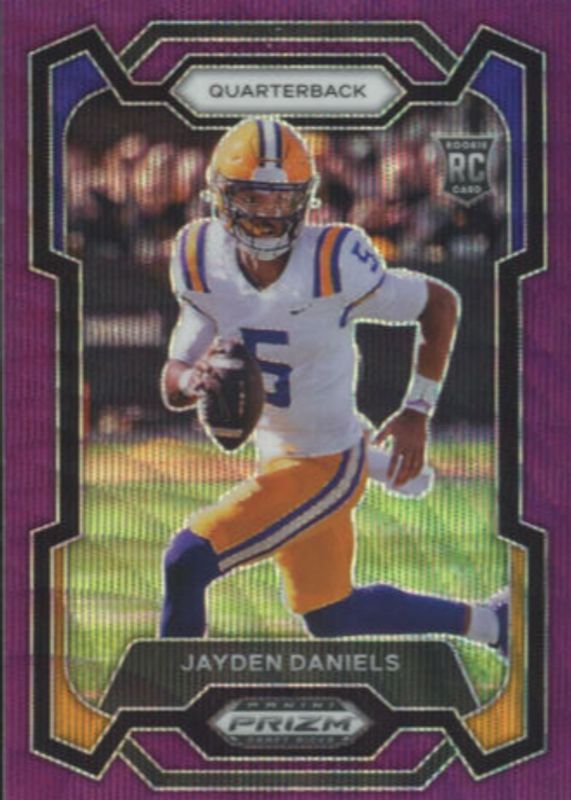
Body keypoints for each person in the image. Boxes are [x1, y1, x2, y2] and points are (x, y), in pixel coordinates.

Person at [159, 117, 508, 658]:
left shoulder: (333, 261)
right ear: (221, 197)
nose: (267, 213)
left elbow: (439, 304)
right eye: (252, 196)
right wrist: (192, 379)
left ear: (305, 200)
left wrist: (418, 408)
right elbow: (174, 378)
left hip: (324, 460)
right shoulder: (200, 255)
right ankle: (493, 624)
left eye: (281, 199)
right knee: (331, 614)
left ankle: (168, 691)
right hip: (278, 453)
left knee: (187, 561)